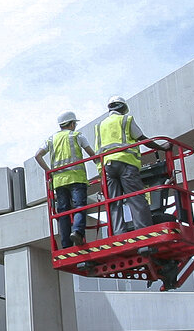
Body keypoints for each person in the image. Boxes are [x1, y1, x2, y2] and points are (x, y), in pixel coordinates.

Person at [34, 111, 96, 248]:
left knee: (63, 212)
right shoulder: (77, 135)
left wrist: (48, 171)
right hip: (76, 178)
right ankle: (77, 232)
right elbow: (92, 155)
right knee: (79, 206)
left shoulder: (51, 139)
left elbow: (37, 155)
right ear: (72, 124)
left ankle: (66, 244)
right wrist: (101, 165)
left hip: (59, 181)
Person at [95, 96, 147, 233]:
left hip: (108, 166)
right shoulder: (126, 120)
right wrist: (161, 147)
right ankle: (143, 230)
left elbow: (98, 151)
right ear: (123, 107)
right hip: (126, 163)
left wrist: (101, 173)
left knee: (113, 202)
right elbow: (142, 138)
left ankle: (118, 233)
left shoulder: (100, 126)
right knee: (135, 198)